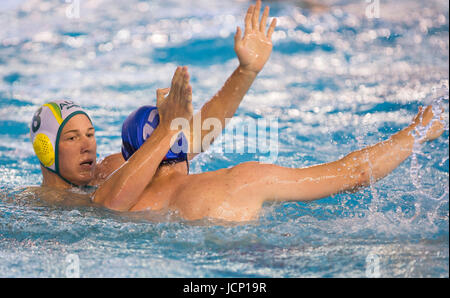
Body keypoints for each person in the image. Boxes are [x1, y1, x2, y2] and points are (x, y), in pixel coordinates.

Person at [28, 1, 446, 222]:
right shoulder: (243, 180)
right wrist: (417, 131)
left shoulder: (118, 178)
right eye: (72, 136)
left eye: (90, 133)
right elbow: (354, 174)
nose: (87, 144)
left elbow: (187, 141)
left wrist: (245, 73)